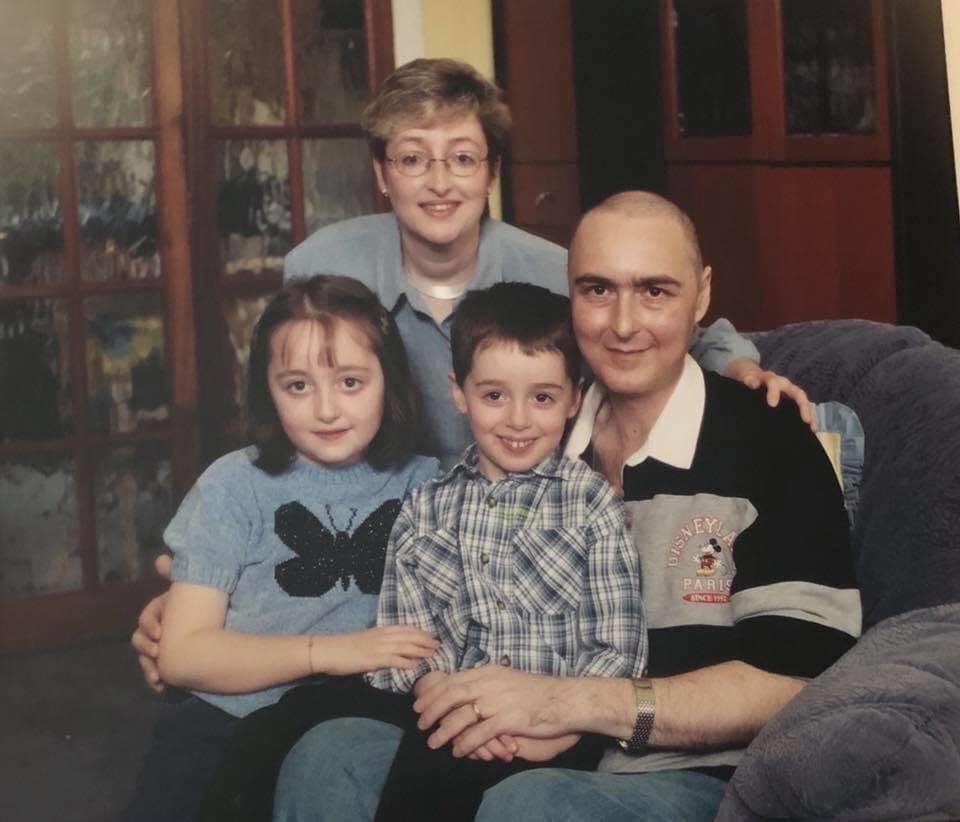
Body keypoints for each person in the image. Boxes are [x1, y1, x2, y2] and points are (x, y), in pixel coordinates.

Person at [132, 59, 810, 693]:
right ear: (381, 172)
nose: (438, 182)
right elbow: (297, 421)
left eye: (462, 158)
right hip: (388, 549)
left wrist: (739, 366)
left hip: (513, 541)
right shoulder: (324, 263)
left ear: (491, 171)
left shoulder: (548, 270)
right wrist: (207, 590)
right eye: (411, 158)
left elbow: (672, 323)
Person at [271, 193, 861, 822]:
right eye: (598, 290)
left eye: (655, 291)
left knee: (532, 806)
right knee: (328, 755)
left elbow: (798, 680)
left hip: (691, 773)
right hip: (516, 738)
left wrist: (566, 705)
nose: (624, 324)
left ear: (703, 295)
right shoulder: (531, 434)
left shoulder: (772, 441)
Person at [197, 282, 644, 821]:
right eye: (494, 395)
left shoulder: (591, 504)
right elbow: (410, 630)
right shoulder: (427, 505)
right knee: (389, 775)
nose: (518, 419)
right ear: (459, 392)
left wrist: (559, 722)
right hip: (451, 713)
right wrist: (440, 693)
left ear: (575, 397)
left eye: (543, 398)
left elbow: (618, 646)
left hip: (561, 720)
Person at [121, 275, 439, 822]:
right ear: (267, 390)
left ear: (390, 381)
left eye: (350, 382)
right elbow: (182, 654)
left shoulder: (429, 484)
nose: (326, 410)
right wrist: (332, 651)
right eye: (297, 386)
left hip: (356, 723)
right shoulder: (232, 485)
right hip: (228, 720)